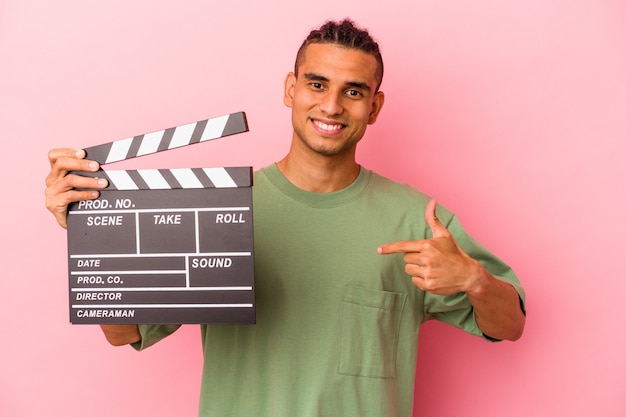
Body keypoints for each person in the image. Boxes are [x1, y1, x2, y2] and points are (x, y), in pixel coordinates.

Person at [45, 19, 525, 417]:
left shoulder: (416, 219)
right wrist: (91, 234)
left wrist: (474, 280)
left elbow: (510, 325)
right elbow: (123, 332)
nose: (332, 105)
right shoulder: (216, 209)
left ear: (374, 107)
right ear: (291, 89)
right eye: (317, 84)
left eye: (354, 91)